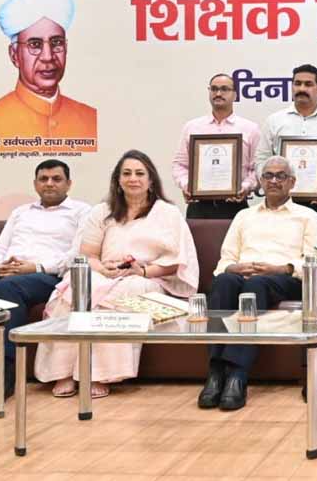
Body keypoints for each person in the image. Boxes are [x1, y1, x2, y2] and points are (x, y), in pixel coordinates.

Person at [34, 150, 199, 398]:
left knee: (126, 292)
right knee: (72, 289)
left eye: (140, 173)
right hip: (104, 273)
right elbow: (89, 254)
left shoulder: (168, 213)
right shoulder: (102, 210)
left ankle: (99, 374)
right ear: (118, 180)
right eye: (127, 173)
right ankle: (63, 372)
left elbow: (176, 262)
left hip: (147, 277)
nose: (133, 179)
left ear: (151, 180)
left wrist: (142, 270)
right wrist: (103, 270)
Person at [0, 160, 89, 408]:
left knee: (10, 288)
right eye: (44, 179)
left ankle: (4, 372)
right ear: (35, 184)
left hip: (49, 278)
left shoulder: (82, 212)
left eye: (56, 179)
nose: (49, 183)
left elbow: (75, 254)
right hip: (6, 275)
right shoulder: (21, 212)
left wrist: (35, 267)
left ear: (69, 184)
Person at [198, 156, 317, 411]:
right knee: (223, 282)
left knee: (256, 286)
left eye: (281, 176)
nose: (274, 181)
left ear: (292, 182)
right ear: (260, 181)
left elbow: (312, 260)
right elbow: (226, 259)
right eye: (268, 176)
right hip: (243, 273)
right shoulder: (244, 215)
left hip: (285, 278)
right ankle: (215, 372)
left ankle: (237, 375)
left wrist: (282, 268)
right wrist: (234, 267)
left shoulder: (307, 216)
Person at [0, 0, 97, 148]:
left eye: (56, 42)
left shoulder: (90, 119)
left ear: (66, 48)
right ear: (14, 55)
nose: (48, 56)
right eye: (35, 45)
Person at [255, 64, 317, 221]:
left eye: (308, 84)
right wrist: (269, 183)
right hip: (281, 201)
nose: (302, 88)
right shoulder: (274, 121)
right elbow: (261, 160)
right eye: (297, 83)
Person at [171, 73, 260, 219]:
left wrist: (245, 187)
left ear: (235, 94)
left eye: (224, 89)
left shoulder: (250, 129)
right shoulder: (192, 127)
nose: (218, 93)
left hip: (236, 206)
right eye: (214, 89)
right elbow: (179, 165)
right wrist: (187, 185)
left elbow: (257, 168)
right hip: (198, 205)